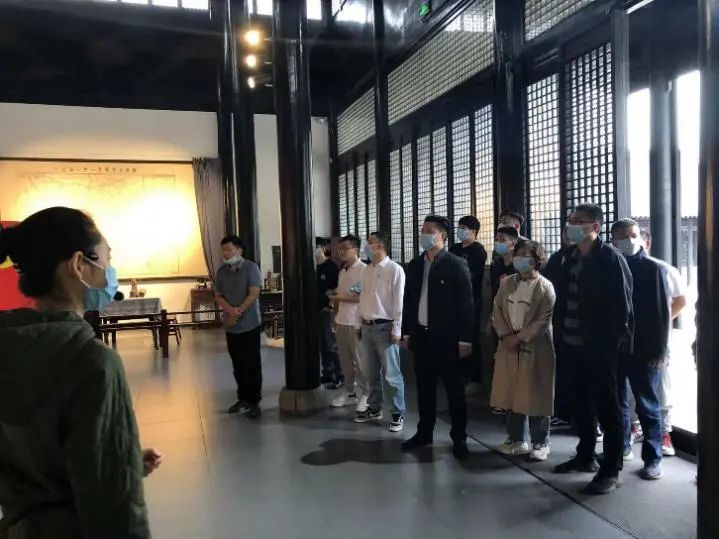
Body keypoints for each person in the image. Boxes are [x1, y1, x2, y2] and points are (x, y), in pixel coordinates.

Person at [0, 207, 161, 538]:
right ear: (78, 264)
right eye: (106, 259)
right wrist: (115, 467)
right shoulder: (92, 361)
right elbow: (114, 508)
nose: (110, 272)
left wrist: (122, 458)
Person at [553, 203, 633, 495]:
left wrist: (609, 348)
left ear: (595, 227)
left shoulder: (610, 258)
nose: (571, 225)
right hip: (571, 344)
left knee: (608, 409)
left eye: (578, 221)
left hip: (600, 349)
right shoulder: (569, 256)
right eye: (571, 220)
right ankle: (585, 455)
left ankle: (611, 469)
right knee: (580, 404)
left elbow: (622, 309)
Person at [401, 216, 474, 460]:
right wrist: (407, 332)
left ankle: (459, 437)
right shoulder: (415, 265)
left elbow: (466, 305)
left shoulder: (455, 264)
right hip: (421, 337)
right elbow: (408, 302)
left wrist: (465, 339)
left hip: (448, 339)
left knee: (454, 391)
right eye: (422, 230)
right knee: (424, 389)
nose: (424, 234)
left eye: (429, 231)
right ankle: (424, 432)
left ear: (442, 236)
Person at [611, 219, 670, 480]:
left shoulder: (652, 268)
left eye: (633, 235)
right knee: (617, 403)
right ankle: (621, 448)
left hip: (644, 348)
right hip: (616, 347)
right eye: (623, 236)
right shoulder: (611, 265)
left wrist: (660, 350)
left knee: (647, 404)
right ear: (613, 240)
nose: (630, 240)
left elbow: (662, 313)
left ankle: (653, 457)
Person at [491, 240, 556, 461]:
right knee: (511, 392)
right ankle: (516, 438)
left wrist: (519, 337)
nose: (520, 258)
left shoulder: (545, 286)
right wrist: (505, 336)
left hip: (536, 345)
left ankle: (541, 441)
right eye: (518, 253)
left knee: (537, 393)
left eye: (526, 254)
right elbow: (497, 309)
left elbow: (543, 319)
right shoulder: (507, 282)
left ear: (537, 260)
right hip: (508, 344)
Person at [637, 228, 687, 456]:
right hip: (630, 337)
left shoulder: (663, 269)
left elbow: (681, 300)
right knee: (632, 389)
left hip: (658, 338)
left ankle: (665, 433)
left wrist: (662, 322)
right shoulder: (623, 267)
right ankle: (635, 428)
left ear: (646, 244)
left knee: (661, 386)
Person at [354, 232, 406, 432]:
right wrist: (358, 325)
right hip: (366, 326)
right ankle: (375, 408)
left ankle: (397, 413)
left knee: (392, 374)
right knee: (370, 372)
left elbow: (398, 302)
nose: (367, 247)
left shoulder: (394, 269)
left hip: (385, 327)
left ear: (381, 246)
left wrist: (397, 328)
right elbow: (362, 299)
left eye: (371, 243)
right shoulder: (366, 270)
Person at [215, 235, 264, 418]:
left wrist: (239, 311)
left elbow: (254, 292)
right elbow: (218, 295)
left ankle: (254, 401)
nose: (226, 253)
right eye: (224, 250)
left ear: (239, 250)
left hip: (249, 323)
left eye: (229, 249)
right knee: (238, 365)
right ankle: (242, 398)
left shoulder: (251, 267)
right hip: (231, 325)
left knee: (252, 364)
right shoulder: (222, 271)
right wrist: (230, 310)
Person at [329, 234, 369, 411]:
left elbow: (361, 297)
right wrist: (334, 317)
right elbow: (339, 297)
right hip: (342, 321)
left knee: (360, 361)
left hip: (356, 322)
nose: (341, 252)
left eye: (345, 249)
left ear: (356, 249)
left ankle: (366, 394)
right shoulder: (342, 271)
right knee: (345, 361)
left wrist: (338, 298)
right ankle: (350, 392)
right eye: (339, 249)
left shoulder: (363, 270)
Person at [449, 215, 488, 385]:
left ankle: (474, 376)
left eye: (464, 228)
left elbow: (472, 275)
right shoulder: (454, 248)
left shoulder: (478, 250)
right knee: (454, 336)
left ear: (474, 231)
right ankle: (456, 372)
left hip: (471, 300)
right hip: (452, 300)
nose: (460, 231)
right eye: (459, 227)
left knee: (470, 337)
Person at [542, 229, 574, 427]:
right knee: (560, 368)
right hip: (558, 319)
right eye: (566, 233)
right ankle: (561, 411)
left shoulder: (589, 258)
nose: (569, 236)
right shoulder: (557, 258)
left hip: (580, 322)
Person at [316, 237, 343, 389]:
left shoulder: (330, 266)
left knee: (330, 344)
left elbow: (337, 289)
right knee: (322, 345)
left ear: (323, 248)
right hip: (315, 311)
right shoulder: (313, 267)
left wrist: (331, 305)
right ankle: (327, 372)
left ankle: (338, 375)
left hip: (327, 311)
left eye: (317, 247)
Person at [490, 226, 520, 303]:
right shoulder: (496, 264)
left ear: (513, 243)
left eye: (502, 240)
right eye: (496, 240)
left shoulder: (519, 266)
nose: (497, 243)